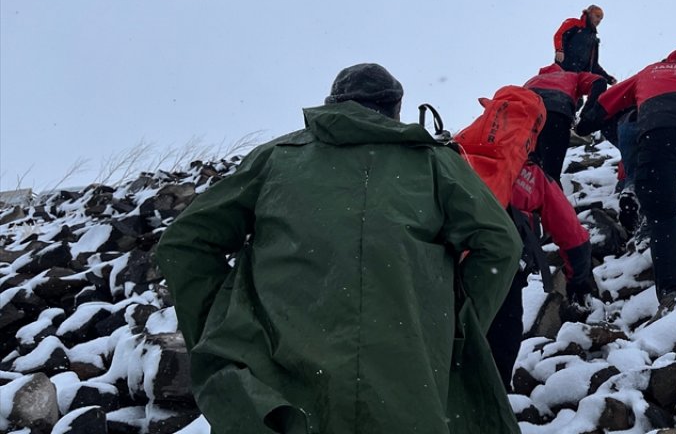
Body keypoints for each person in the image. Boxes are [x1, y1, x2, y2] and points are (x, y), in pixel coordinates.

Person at [155, 63, 522, 434]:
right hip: (409, 385)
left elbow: (184, 245)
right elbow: (499, 243)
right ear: (396, 109)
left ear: (331, 104)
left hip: (280, 393)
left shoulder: (276, 158)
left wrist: (220, 327)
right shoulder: (435, 162)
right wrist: (453, 326)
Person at [577, 49, 676, 309]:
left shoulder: (650, 71)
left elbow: (608, 101)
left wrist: (586, 123)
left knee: (662, 213)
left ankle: (673, 293)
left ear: (668, 60)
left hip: (657, 131)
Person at [486, 160, 593, 391]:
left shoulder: (457, 157)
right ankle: (496, 397)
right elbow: (572, 234)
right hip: (503, 263)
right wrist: (578, 281)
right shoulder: (529, 174)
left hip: (450, 263)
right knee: (504, 328)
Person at [523, 64, 608, 184]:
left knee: (525, 174)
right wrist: (586, 115)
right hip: (555, 114)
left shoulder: (532, 81)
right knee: (551, 176)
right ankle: (552, 199)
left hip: (526, 121)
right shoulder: (572, 76)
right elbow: (599, 81)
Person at [553, 4, 615, 83]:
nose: (599, 20)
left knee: (600, 82)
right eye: (597, 15)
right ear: (589, 13)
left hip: (579, 77)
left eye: (601, 18)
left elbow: (594, 65)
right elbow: (560, 35)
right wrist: (559, 50)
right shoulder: (574, 23)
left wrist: (608, 78)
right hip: (564, 69)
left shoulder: (594, 40)